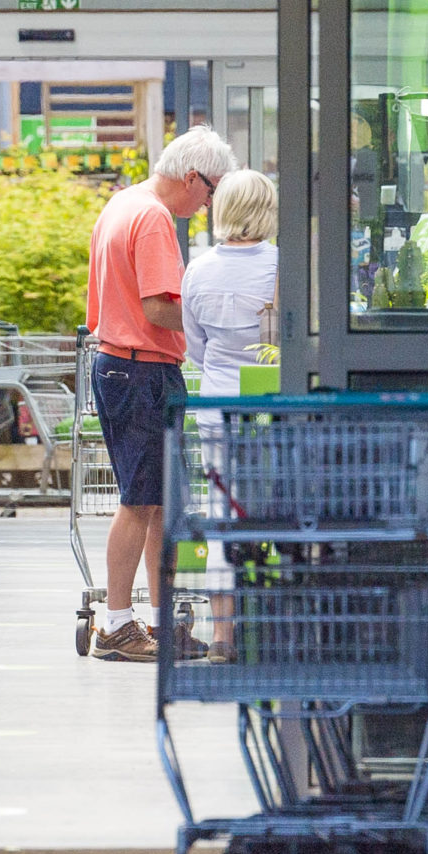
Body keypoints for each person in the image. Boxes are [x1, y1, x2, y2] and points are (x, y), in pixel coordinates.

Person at [84, 125, 238, 663]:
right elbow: (157, 307)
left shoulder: (122, 203)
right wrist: (215, 326)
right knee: (140, 500)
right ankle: (119, 625)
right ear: (193, 178)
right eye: (212, 190)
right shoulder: (152, 218)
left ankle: (156, 620)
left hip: (122, 366)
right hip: (140, 368)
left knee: (155, 501)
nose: (210, 203)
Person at [181, 168, 279, 397]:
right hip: (270, 408)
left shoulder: (196, 270)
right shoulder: (283, 265)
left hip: (214, 407)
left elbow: (196, 350)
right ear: (268, 211)